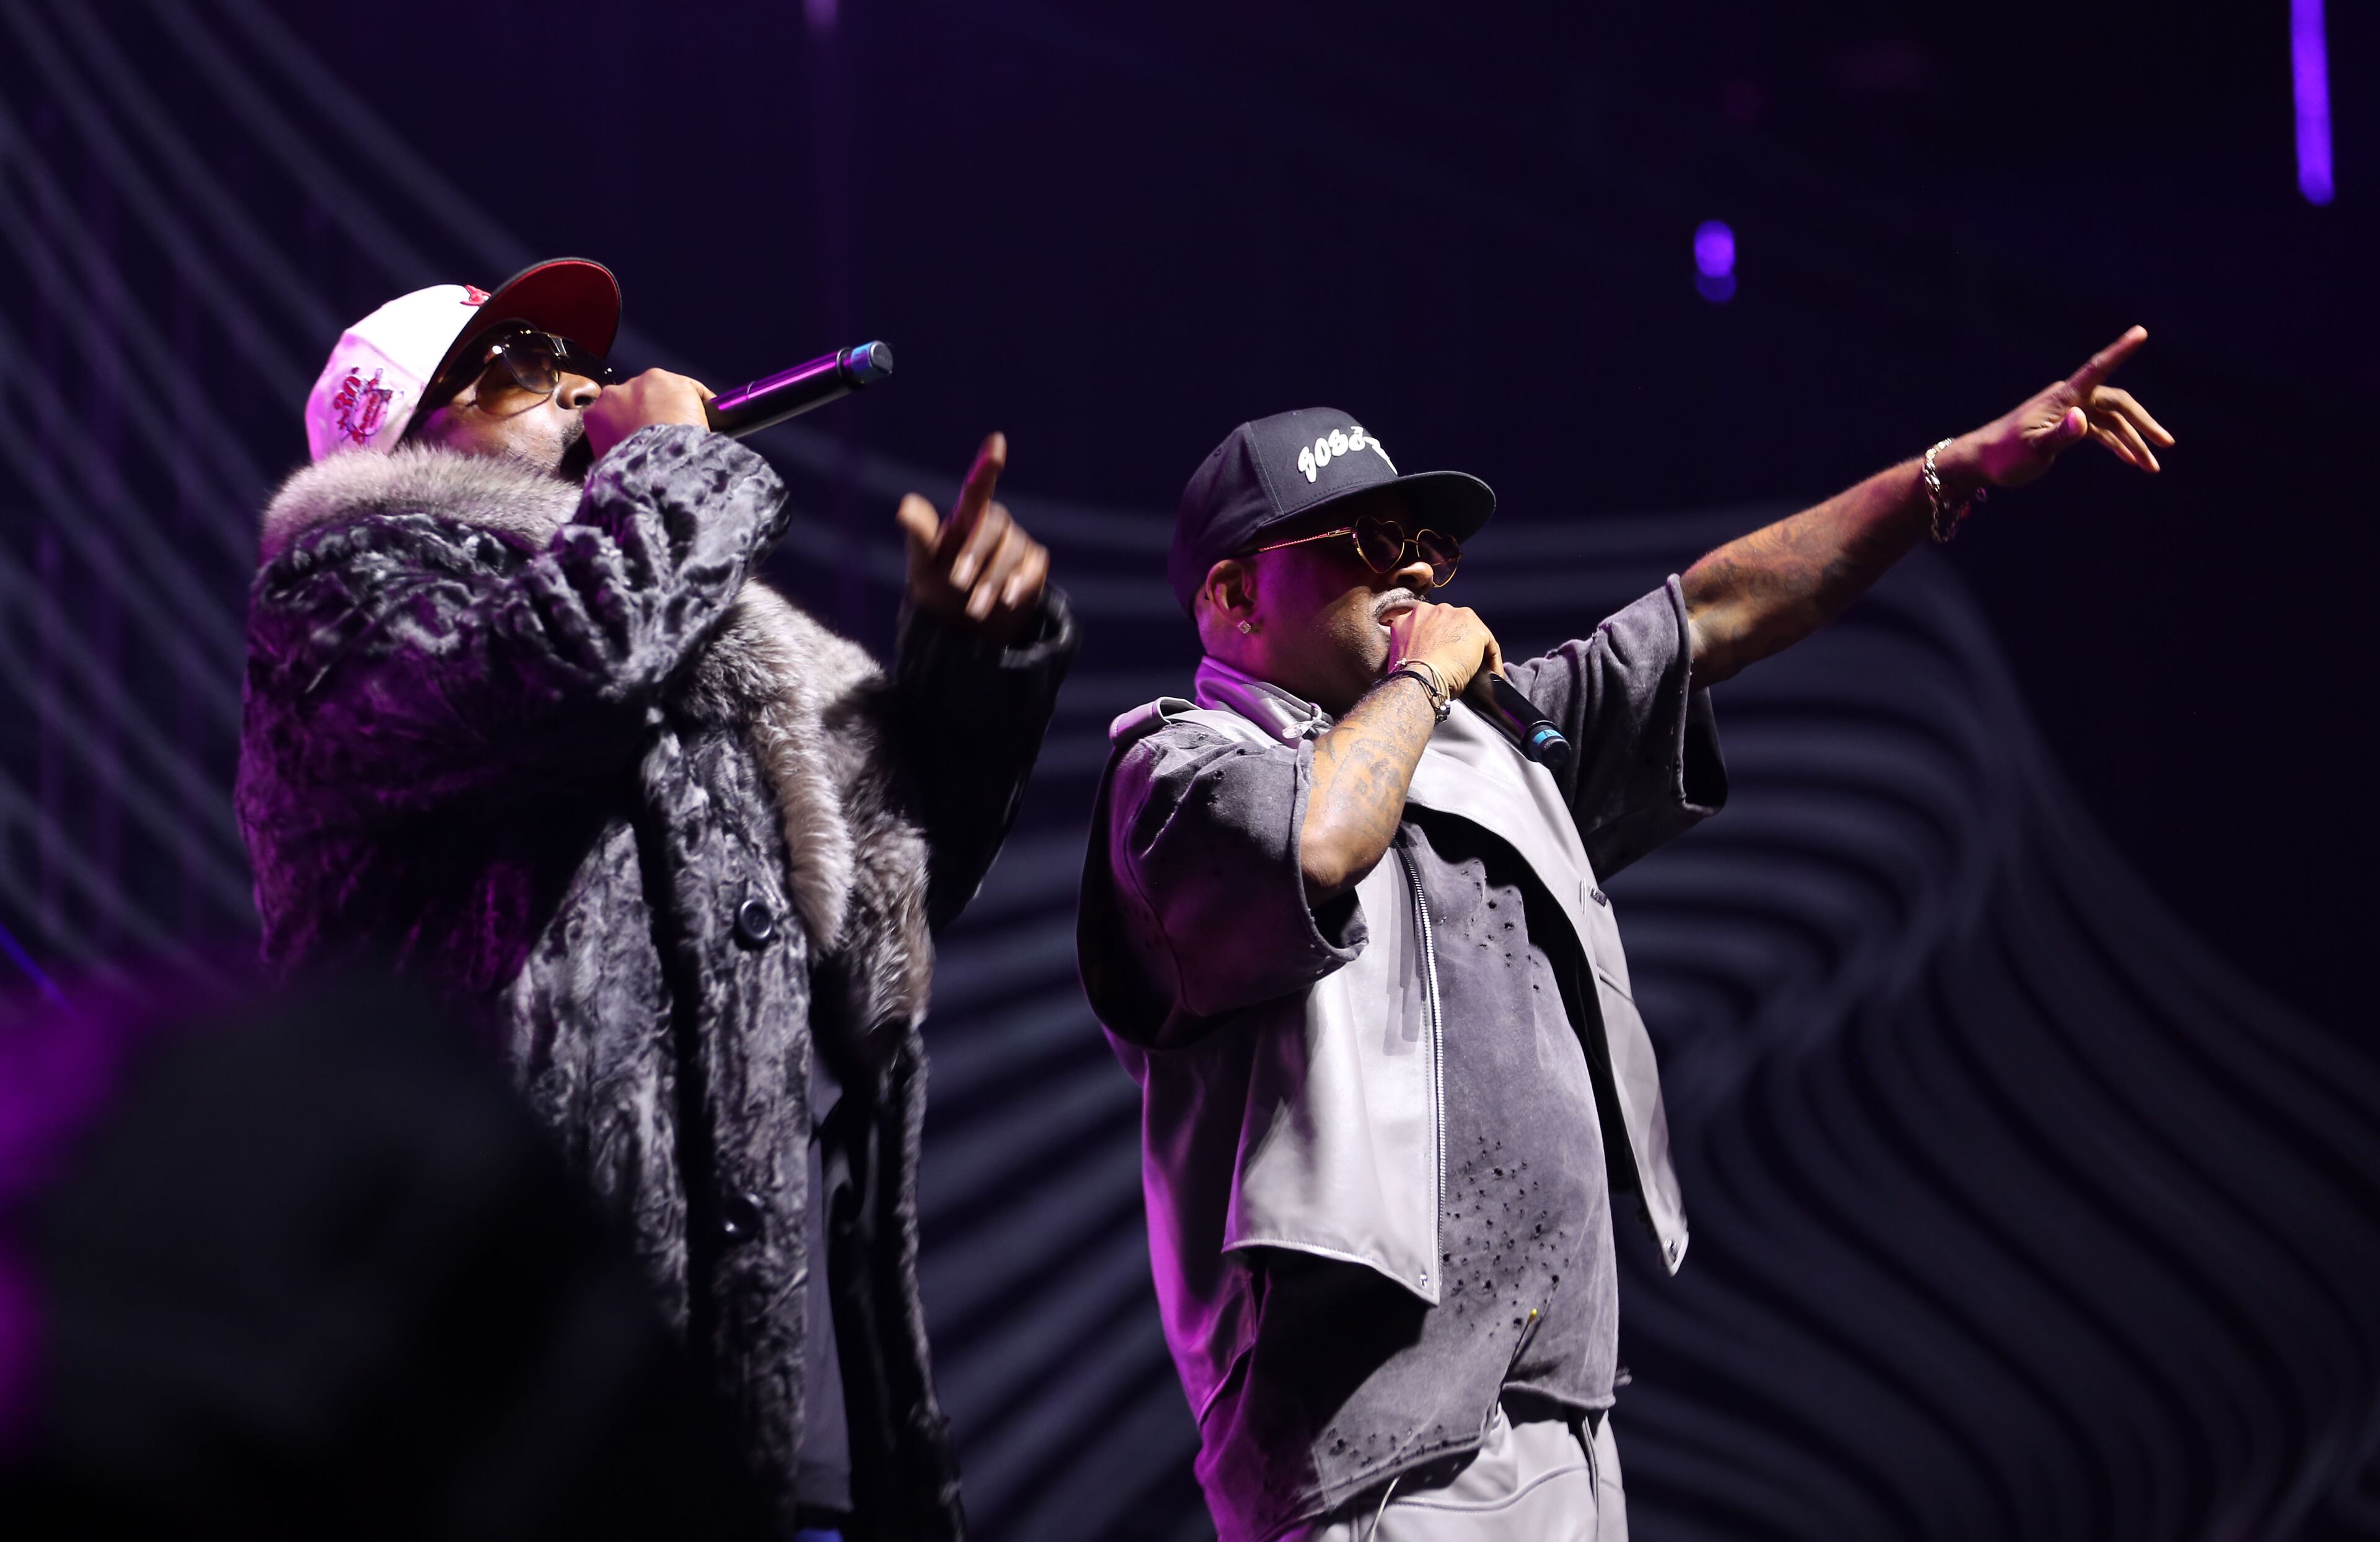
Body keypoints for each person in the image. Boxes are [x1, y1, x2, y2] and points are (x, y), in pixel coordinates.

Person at [1078, 332, 2170, 1541]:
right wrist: (1428, 682)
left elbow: (1710, 614)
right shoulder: (1177, 773)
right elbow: (1316, 843)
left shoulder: (1478, 756)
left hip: (1558, 1414)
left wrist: (1940, 475)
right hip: (1371, 1445)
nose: (1419, 576)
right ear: (1234, 594)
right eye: (1367, 544)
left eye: (1426, 544)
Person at [237, 259, 1079, 1541]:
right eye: (520, 360)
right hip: (522, 1399)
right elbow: (554, 668)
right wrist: (675, 471)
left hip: (773, 1414)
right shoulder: (345, 595)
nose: (579, 379)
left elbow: (890, 898)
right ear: (413, 425)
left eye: (573, 358)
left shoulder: (699, 651)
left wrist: (972, 659)